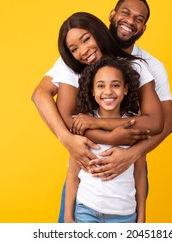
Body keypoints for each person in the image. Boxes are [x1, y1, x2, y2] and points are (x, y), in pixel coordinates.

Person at [32, 0, 172, 222]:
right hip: (87, 172)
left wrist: (130, 152)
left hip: (127, 174)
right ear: (111, 15)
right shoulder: (75, 61)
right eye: (125, 12)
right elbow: (42, 96)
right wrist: (71, 139)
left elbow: (164, 124)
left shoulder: (145, 66)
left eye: (139, 18)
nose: (83, 49)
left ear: (144, 27)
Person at [65, 56, 147, 223]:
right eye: (101, 86)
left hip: (124, 215)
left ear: (125, 89)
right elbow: (73, 174)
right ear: (92, 91)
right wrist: (67, 216)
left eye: (115, 85)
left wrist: (142, 218)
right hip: (86, 210)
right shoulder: (82, 124)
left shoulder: (134, 126)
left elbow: (140, 174)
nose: (108, 91)